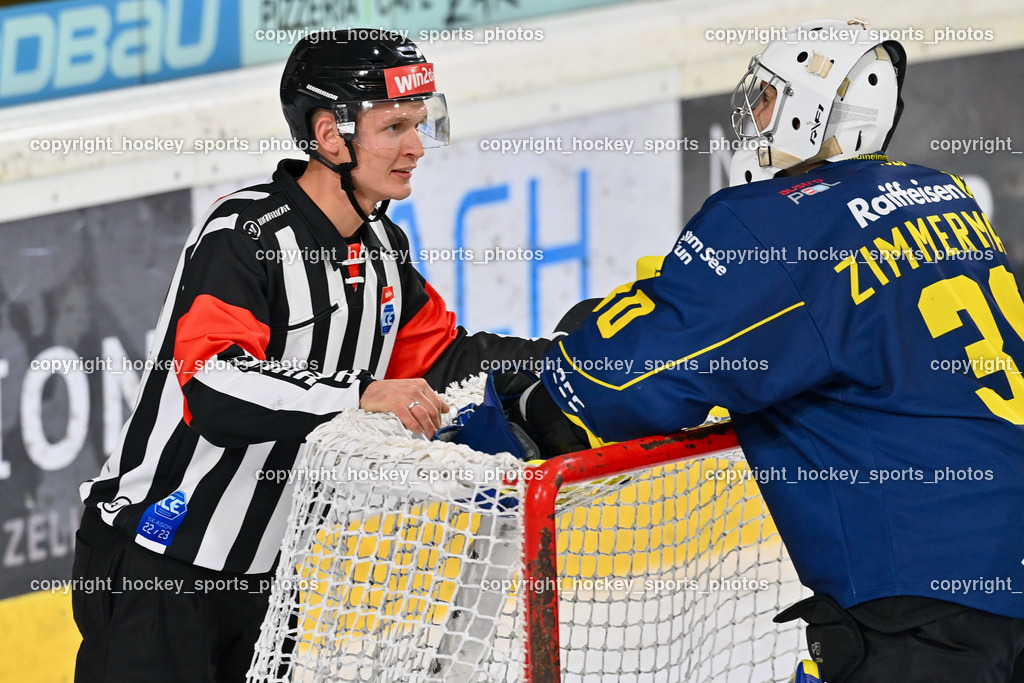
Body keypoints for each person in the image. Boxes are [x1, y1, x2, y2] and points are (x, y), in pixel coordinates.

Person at [514, 18, 1024, 682]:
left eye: (768, 99)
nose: (755, 118)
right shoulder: (945, 196)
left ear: (815, 114)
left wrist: (526, 397)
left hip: (923, 611)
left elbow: (620, 386)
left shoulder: (774, 219)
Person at [72, 29, 550, 682]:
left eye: (421, 122)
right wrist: (357, 393)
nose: (415, 147)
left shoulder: (382, 246)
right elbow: (214, 384)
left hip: (267, 571)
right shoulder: (244, 235)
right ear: (330, 135)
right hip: (158, 562)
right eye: (395, 127)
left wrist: (577, 356)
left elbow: (447, 356)